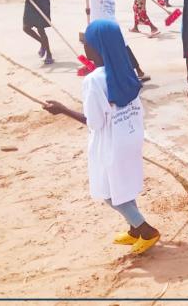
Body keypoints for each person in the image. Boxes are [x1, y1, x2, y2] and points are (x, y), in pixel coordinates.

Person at [42, 20, 160, 255]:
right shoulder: (125, 68)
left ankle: (146, 230)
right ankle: (134, 229)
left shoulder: (94, 80)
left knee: (108, 191)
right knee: (123, 184)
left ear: (98, 46)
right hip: (131, 135)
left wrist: (63, 109)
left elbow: (94, 122)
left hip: (111, 141)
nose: (84, 48)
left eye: (86, 43)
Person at [81, 0, 149, 81]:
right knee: (124, 49)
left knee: (91, 45)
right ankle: (138, 71)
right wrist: (91, 10)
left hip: (102, 29)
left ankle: (101, 71)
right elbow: (101, 6)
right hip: (113, 26)